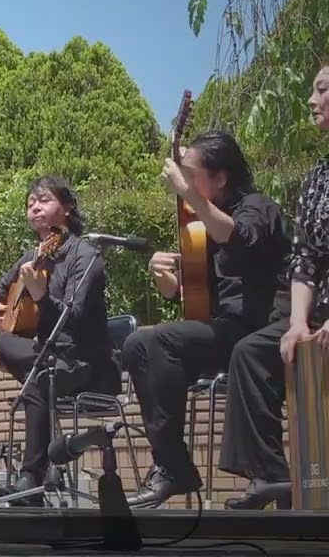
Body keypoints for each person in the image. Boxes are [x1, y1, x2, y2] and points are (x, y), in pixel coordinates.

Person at [124, 130, 292, 507]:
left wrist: (188, 194)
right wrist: (167, 278)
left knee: (243, 350)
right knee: (143, 344)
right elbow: (190, 291)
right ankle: (173, 467)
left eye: (190, 172)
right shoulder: (204, 221)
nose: (181, 179)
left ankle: (269, 474)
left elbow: (237, 236)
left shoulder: (257, 207)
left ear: (220, 178)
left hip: (267, 328)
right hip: (228, 331)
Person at [218, 66, 329, 510]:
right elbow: (306, 258)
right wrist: (298, 322)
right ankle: (274, 477)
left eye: (322, 89)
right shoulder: (319, 179)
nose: (311, 100)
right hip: (319, 310)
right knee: (252, 352)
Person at [0, 177, 119, 505]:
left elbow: (75, 317)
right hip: (49, 359)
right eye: (30, 202)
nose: (34, 207)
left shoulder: (85, 254)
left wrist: (42, 296)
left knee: (40, 378)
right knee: (5, 342)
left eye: (43, 200)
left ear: (67, 208)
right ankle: (35, 476)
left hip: (86, 361)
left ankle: (31, 476)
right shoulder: (32, 256)